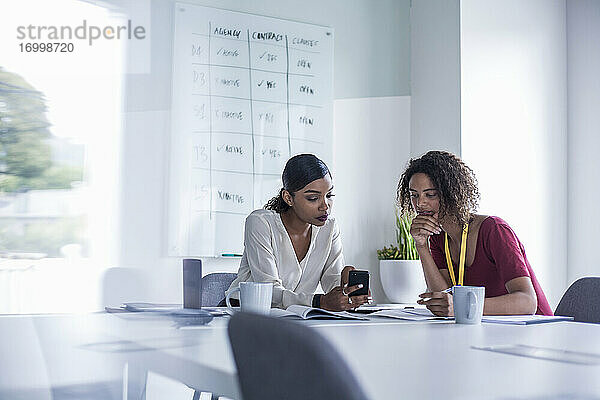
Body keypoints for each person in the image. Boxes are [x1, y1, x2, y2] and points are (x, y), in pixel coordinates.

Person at [396, 150, 553, 316]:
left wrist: (462, 306)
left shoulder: (494, 230)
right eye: (414, 195)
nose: (420, 203)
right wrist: (421, 245)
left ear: (452, 192)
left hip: (533, 331)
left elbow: (527, 302)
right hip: (486, 331)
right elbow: (445, 302)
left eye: (430, 194)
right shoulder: (438, 237)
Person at [226, 154, 370, 311]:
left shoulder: (329, 227)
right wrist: (319, 302)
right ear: (288, 198)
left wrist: (345, 287)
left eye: (329, 195)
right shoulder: (260, 223)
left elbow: (331, 282)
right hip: (244, 313)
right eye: (313, 198)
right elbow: (268, 291)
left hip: (295, 316)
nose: (325, 206)